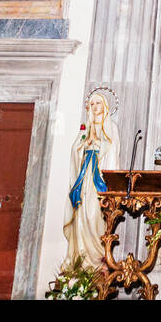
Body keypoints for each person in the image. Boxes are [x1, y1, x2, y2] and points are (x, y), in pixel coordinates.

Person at [63, 88, 120, 267]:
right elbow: (74, 150)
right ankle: (79, 261)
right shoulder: (85, 128)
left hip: (98, 181)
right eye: (92, 104)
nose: (95, 107)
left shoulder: (111, 127)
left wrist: (98, 144)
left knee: (94, 216)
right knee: (80, 216)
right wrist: (83, 145)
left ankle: (96, 260)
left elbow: (113, 150)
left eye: (98, 103)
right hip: (83, 179)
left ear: (105, 106)